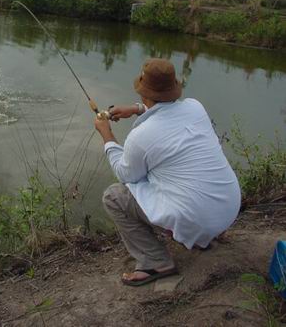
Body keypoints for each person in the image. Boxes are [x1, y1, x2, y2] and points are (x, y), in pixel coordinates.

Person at [94, 58, 241, 287]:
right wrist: (136, 109)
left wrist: (107, 136)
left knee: (115, 196)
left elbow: (125, 174)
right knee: (161, 173)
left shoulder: (142, 136)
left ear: (143, 92)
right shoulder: (195, 106)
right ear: (174, 87)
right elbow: (167, 109)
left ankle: (155, 262)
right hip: (228, 209)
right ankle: (205, 237)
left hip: (198, 218)